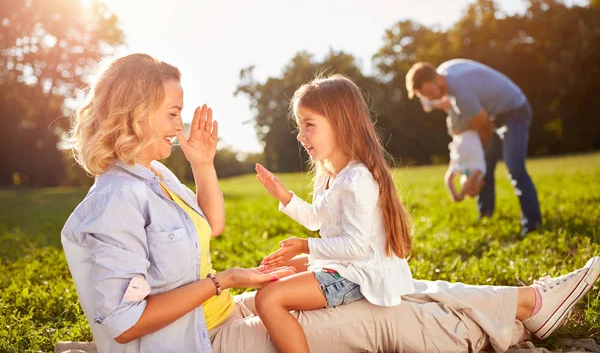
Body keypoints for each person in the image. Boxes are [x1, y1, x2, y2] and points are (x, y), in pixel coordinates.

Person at [61, 53, 599, 353]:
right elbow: (126, 322)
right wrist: (224, 281)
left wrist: (202, 166)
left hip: (219, 314)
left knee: (400, 290)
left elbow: (214, 226)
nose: (181, 128)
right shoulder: (114, 203)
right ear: (135, 113)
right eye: (173, 114)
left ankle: (525, 303)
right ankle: (521, 313)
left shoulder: (154, 177)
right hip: (208, 336)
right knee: (390, 320)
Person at [252, 75, 414, 353]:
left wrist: (304, 246)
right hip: (346, 264)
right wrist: (284, 196)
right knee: (278, 272)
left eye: (309, 125)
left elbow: (355, 247)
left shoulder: (357, 180)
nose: (301, 136)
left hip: (361, 274)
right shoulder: (328, 174)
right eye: (299, 126)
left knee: (268, 299)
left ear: (341, 125)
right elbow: (317, 220)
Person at [406, 59, 542, 238]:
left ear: (433, 81)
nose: (430, 98)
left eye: (428, 93)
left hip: (515, 111)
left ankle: (533, 224)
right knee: (486, 166)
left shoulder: (462, 96)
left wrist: (479, 154)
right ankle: (485, 216)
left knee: (514, 166)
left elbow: (484, 127)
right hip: (496, 112)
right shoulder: (444, 71)